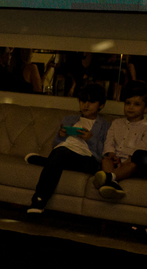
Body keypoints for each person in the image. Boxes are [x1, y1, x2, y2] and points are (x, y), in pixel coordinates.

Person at [25, 83, 109, 214]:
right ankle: (39, 200)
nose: (86, 105)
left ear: (101, 105)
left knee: (58, 158)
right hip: (64, 152)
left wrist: (90, 138)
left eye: (91, 102)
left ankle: (43, 161)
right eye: (83, 101)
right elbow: (56, 145)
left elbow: (104, 153)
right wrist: (61, 135)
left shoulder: (105, 125)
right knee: (60, 153)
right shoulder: (69, 119)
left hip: (88, 159)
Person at [92, 80, 147, 200]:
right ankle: (113, 185)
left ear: (145, 109)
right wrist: (112, 155)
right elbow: (109, 141)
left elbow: (142, 150)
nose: (130, 107)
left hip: (132, 162)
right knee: (105, 160)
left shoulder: (145, 127)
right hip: (116, 159)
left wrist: (125, 162)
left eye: (136, 104)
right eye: (128, 103)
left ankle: (108, 178)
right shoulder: (116, 123)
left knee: (133, 165)